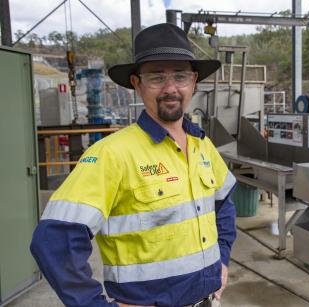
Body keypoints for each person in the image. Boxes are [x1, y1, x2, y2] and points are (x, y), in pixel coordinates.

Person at [30, 23, 237, 307]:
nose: (170, 88)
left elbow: (224, 204)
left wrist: (222, 259)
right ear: (137, 84)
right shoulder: (111, 154)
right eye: (156, 77)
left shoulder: (203, 145)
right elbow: (53, 241)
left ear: (194, 82)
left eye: (180, 76)